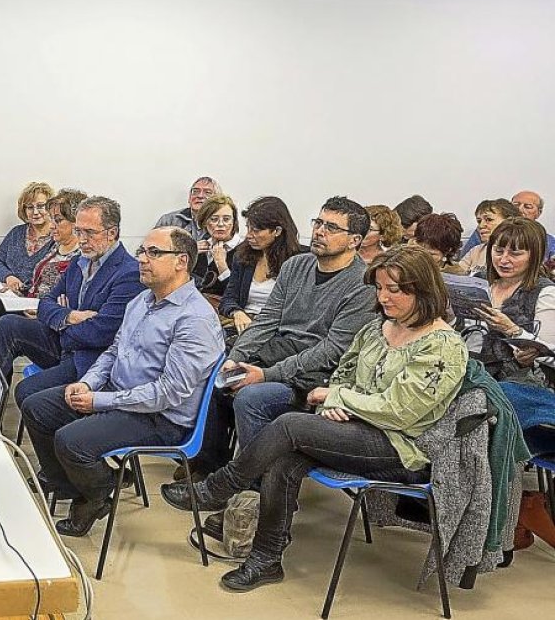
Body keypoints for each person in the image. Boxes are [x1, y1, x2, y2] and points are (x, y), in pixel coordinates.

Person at [162, 246, 468, 592]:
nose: (383, 297)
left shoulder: (443, 346)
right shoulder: (377, 328)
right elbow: (343, 374)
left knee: (290, 424)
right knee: (284, 462)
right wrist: (332, 405)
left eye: (394, 290)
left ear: (423, 290)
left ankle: (219, 487)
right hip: (351, 429)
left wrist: (338, 399)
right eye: (380, 288)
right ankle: (265, 559)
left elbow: (401, 411)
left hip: (399, 447)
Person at [21, 226, 224, 536]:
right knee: (36, 406)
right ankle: (78, 487)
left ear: (181, 261)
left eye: (154, 253)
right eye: (142, 251)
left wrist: (99, 401)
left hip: (162, 417)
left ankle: (95, 494)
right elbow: (114, 351)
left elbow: (168, 393)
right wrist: (89, 383)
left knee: (70, 441)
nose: (141, 259)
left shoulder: (195, 319)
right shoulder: (141, 301)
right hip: (121, 393)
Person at [198, 197, 379, 475]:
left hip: (315, 377)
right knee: (215, 376)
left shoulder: (363, 285)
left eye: (331, 227)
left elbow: (331, 350)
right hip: (278, 355)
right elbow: (267, 321)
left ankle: (256, 485)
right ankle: (211, 471)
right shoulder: (296, 265)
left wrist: (265, 375)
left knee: (251, 398)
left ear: (354, 240)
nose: (319, 231)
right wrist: (235, 358)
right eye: (318, 223)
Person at [0, 196, 144, 405]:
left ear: (112, 233)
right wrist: (71, 316)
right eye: (78, 231)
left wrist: (61, 325)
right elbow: (46, 302)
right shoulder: (80, 261)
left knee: (26, 391)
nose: (82, 239)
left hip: (89, 358)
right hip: (67, 342)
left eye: (90, 232)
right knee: (8, 324)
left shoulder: (129, 273)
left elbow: (100, 333)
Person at [0, 189, 85, 344]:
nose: (35, 212)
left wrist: (23, 290)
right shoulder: (19, 233)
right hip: (24, 297)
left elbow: (54, 287)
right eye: (30, 207)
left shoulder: (58, 242)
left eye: (40, 206)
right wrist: (8, 279)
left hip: (31, 301)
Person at [468, 218, 555, 455]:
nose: (504, 260)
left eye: (515, 254)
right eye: (498, 251)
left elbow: (549, 354)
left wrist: (513, 331)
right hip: (474, 371)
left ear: (534, 256)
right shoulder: (478, 283)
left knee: (479, 403)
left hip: (520, 383)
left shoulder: (545, 293)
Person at [219, 196, 303, 335]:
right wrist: (237, 312)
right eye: (248, 228)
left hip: (276, 331)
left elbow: (298, 310)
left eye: (256, 230)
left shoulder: (299, 261)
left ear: (277, 231)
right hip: (243, 325)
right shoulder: (242, 256)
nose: (248, 235)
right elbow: (228, 298)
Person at [460, 190, 555, 268]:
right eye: (516, 205)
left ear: (539, 213)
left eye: (528, 207)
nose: (520, 209)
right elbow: (462, 263)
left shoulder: (547, 241)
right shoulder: (479, 240)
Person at [191, 194, 240, 296]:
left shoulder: (244, 250)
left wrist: (222, 265)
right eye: (214, 219)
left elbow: (239, 295)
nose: (221, 224)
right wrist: (190, 256)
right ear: (204, 222)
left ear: (234, 221)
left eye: (226, 219)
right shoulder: (199, 246)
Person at [459, 199, 521, 276]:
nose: (481, 226)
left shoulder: (522, 251)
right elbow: (459, 272)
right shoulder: (476, 250)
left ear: (510, 221)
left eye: (489, 219)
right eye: (479, 221)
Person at [155, 176, 222, 241]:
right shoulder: (169, 221)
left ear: (217, 199)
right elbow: (152, 245)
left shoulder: (222, 222)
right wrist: (192, 247)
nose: (200, 196)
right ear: (189, 198)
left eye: (207, 192)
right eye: (195, 191)